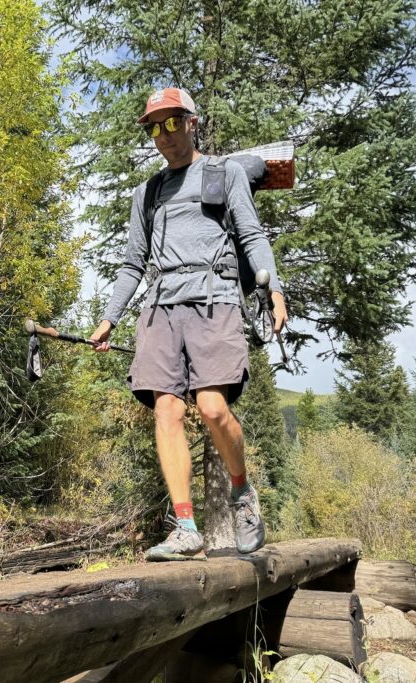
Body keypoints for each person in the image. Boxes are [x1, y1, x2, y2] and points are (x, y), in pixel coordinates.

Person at [89, 87, 288, 561]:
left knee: (214, 408)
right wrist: (109, 317)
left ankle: (242, 494)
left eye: (173, 122)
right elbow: (132, 263)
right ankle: (185, 526)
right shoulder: (148, 193)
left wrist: (274, 289)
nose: (164, 135)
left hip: (216, 300)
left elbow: (251, 235)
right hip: (159, 308)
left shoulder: (225, 174)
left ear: (192, 122)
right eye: (155, 127)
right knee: (167, 411)